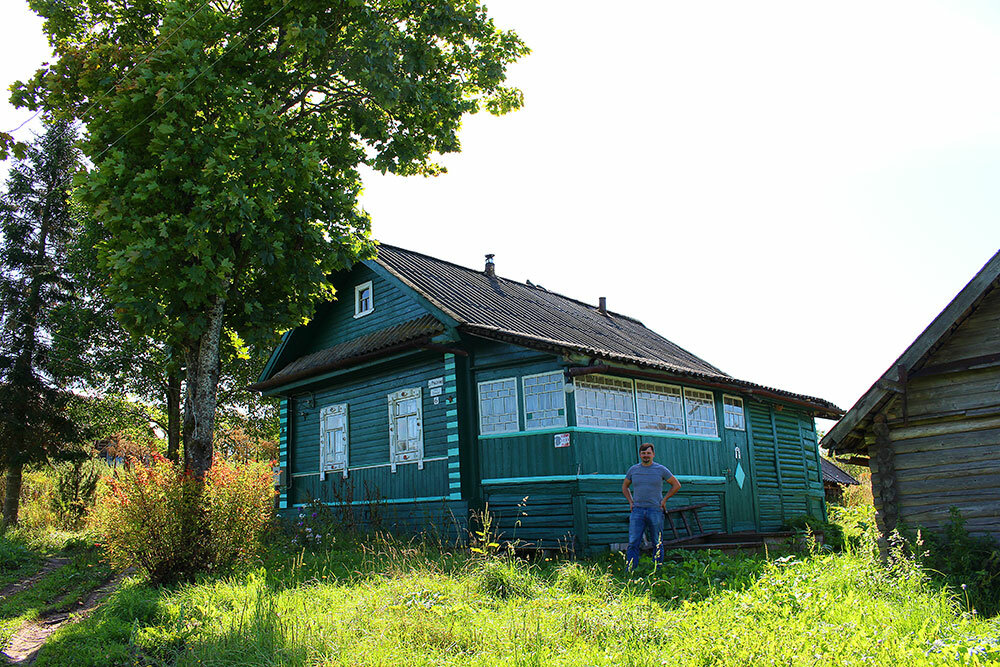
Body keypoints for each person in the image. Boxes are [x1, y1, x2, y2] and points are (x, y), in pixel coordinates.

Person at [622, 442, 681, 570]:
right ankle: (630, 570)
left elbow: (676, 485)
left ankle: (657, 570)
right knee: (633, 542)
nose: (646, 456)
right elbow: (625, 487)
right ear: (640, 455)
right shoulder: (633, 470)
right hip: (637, 510)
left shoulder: (661, 469)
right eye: (643, 453)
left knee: (657, 542)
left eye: (648, 453)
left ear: (653, 454)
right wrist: (631, 502)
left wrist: (664, 500)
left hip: (655, 510)